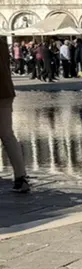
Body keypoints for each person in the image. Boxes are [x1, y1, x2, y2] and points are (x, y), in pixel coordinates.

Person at [0, 36, 29, 193]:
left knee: (7, 135)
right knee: (8, 136)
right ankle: (20, 177)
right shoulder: (2, 44)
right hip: (6, 92)